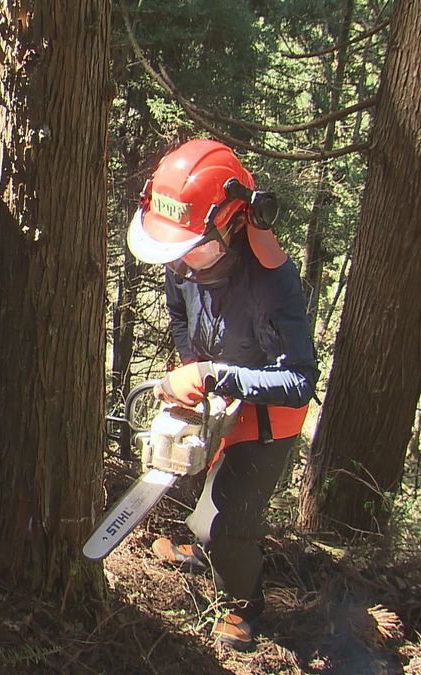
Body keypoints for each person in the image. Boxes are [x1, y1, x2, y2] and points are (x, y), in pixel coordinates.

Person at [126, 139, 318, 650]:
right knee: (203, 500)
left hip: (268, 421)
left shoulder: (273, 283)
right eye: (179, 251)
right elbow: (180, 313)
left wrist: (218, 377)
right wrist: (192, 366)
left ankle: (244, 602)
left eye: (197, 248)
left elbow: (300, 381)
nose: (186, 263)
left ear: (234, 224)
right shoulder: (183, 262)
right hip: (218, 396)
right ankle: (206, 547)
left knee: (222, 524)